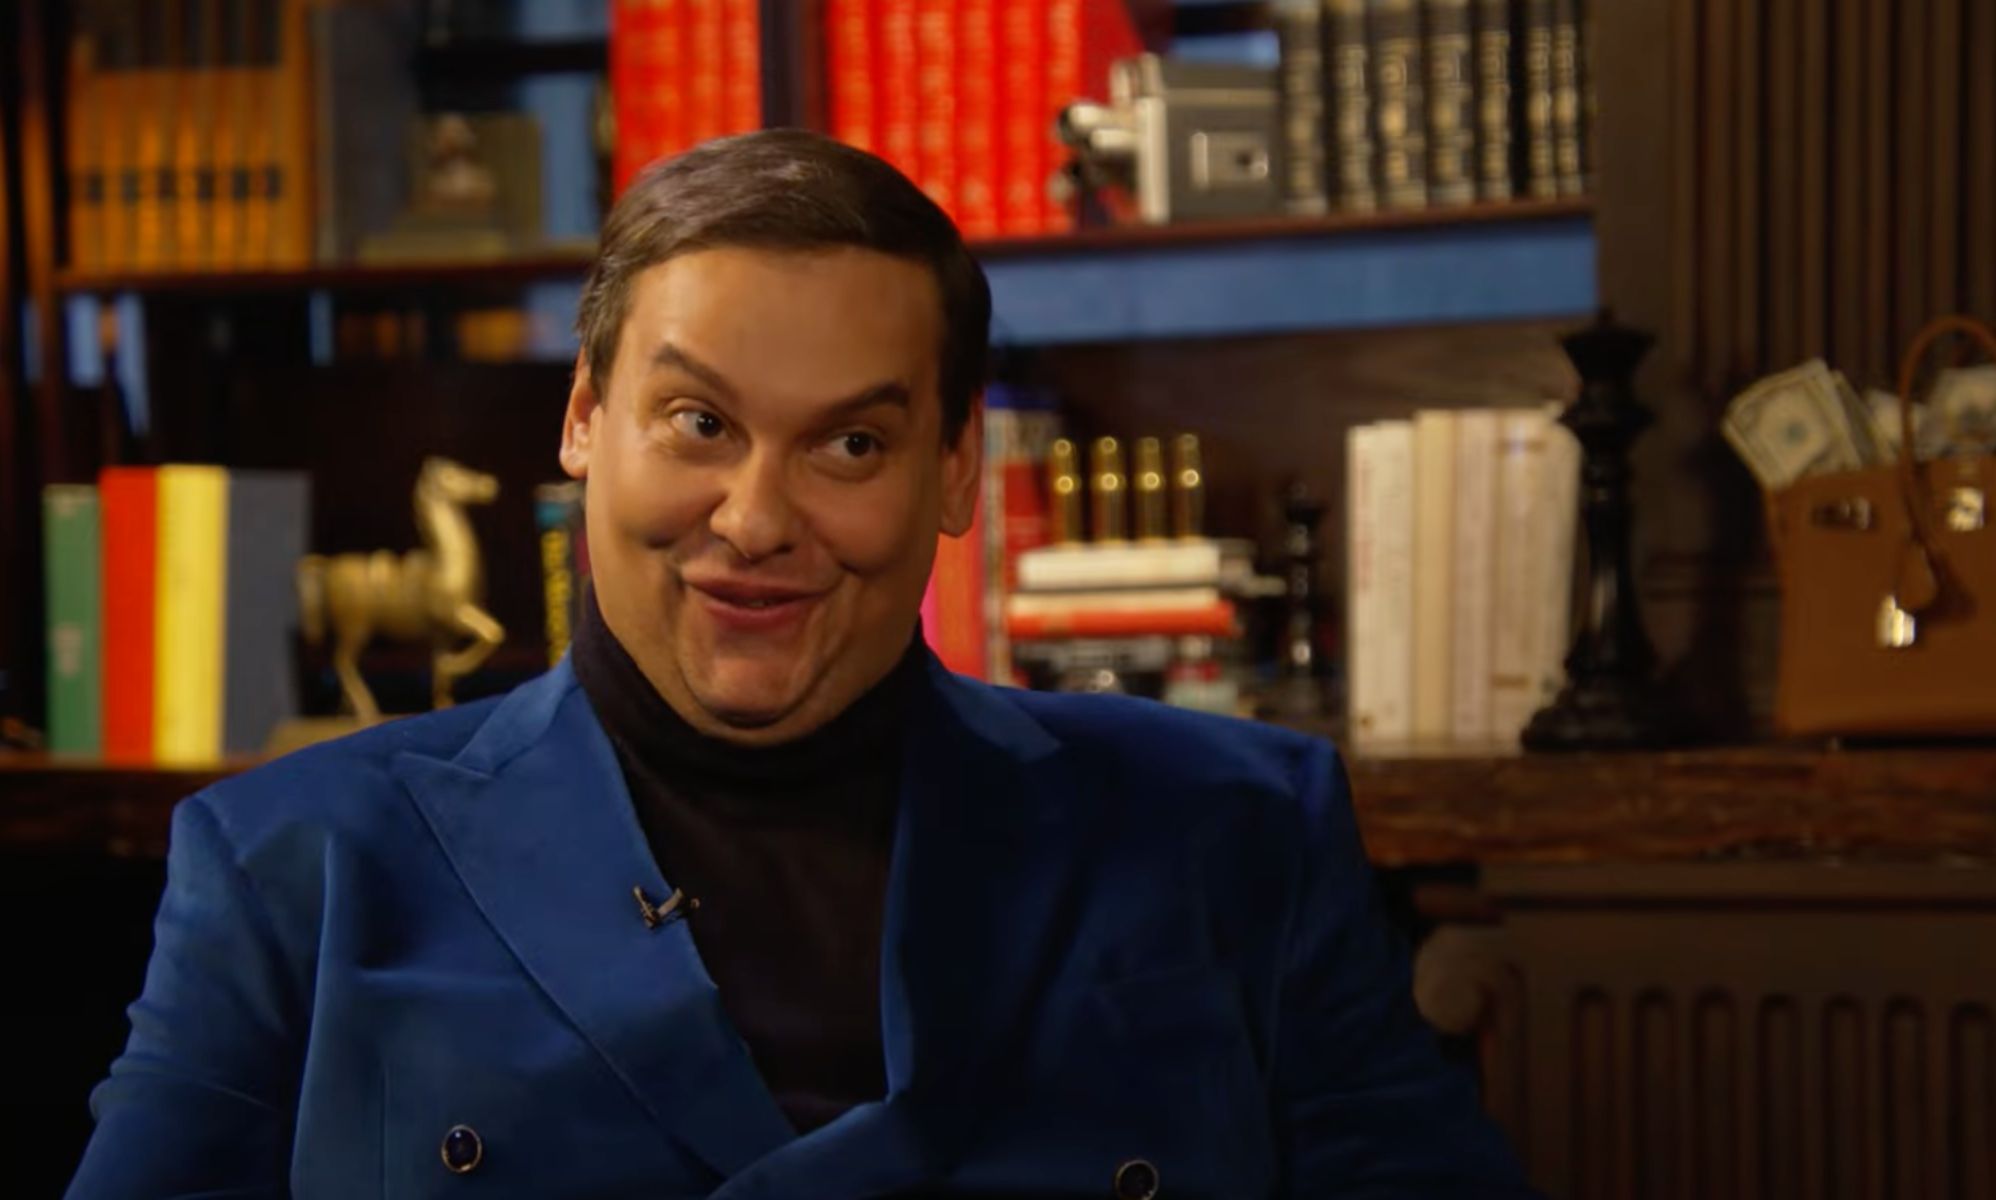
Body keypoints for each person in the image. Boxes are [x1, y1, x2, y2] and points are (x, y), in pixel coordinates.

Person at [68, 130, 1532, 1199]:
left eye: (850, 444)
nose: (757, 520)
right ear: (583, 423)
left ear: (954, 472)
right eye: (699, 424)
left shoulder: (1239, 832)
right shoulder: (293, 868)